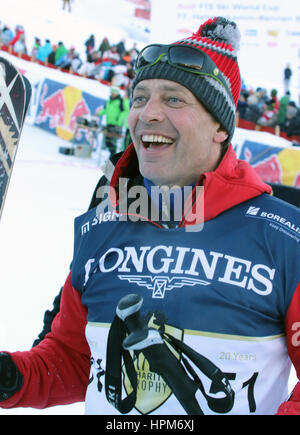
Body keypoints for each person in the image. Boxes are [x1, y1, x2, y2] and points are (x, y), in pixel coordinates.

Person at [0, 16, 300, 416]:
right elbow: (75, 360)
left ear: (220, 129)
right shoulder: (103, 227)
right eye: (140, 98)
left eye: (174, 99)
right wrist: (11, 377)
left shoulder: (283, 236)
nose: (148, 113)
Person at [97, 86, 125, 156]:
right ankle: (112, 156)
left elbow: (123, 113)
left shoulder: (120, 101)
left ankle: (113, 157)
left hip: (116, 125)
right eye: (111, 92)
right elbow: (105, 110)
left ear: (116, 93)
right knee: (107, 141)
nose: (111, 93)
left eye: (113, 92)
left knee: (112, 142)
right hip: (109, 123)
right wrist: (98, 113)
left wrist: (119, 123)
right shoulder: (109, 100)